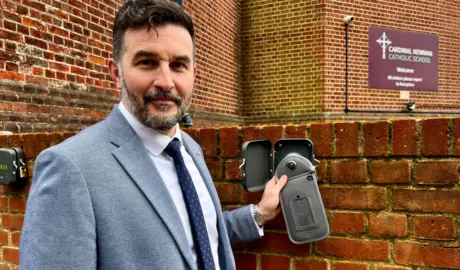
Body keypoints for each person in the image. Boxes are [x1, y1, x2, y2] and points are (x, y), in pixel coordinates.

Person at [19, 0, 288, 269]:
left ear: (193, 74)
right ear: (116, 72)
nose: (166, 82)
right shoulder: (70, 168)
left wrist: (259, 214)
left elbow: (192, 236)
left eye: (178, 65)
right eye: (147, 62)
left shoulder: (188, 148)